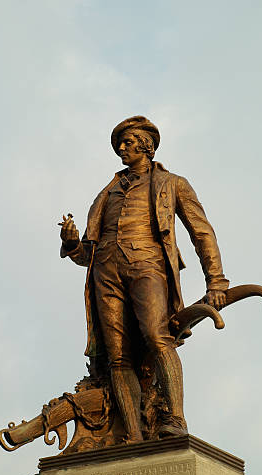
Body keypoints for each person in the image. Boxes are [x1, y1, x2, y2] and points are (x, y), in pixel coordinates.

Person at [59, 116, 228, 443]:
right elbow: (85, 256)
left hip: (148, 263)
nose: (121, 148)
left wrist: (216, 281)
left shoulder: (173, 183)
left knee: (156, 335)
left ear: (147, 145)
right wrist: (71, 243)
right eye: (119, 143)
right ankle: (133, 435)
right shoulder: (106, 193)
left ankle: (176, 419)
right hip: (104, 270)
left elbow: (202, 233)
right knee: (117, 356)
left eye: (128, 141)